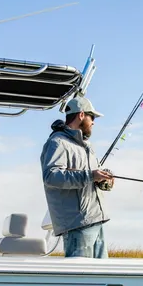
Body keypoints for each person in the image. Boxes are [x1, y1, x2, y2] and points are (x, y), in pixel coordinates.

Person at [40, 96, 115, 258]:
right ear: (81, 115)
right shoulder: (57, 142)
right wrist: (90, 175)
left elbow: (90, 177)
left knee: (101, 273)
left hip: (96, 220)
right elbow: (51, 176)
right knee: (83, 274)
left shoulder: (86, 146)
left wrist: (103, 181)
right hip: (77, 225)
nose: (93, 122)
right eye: (92, 117)